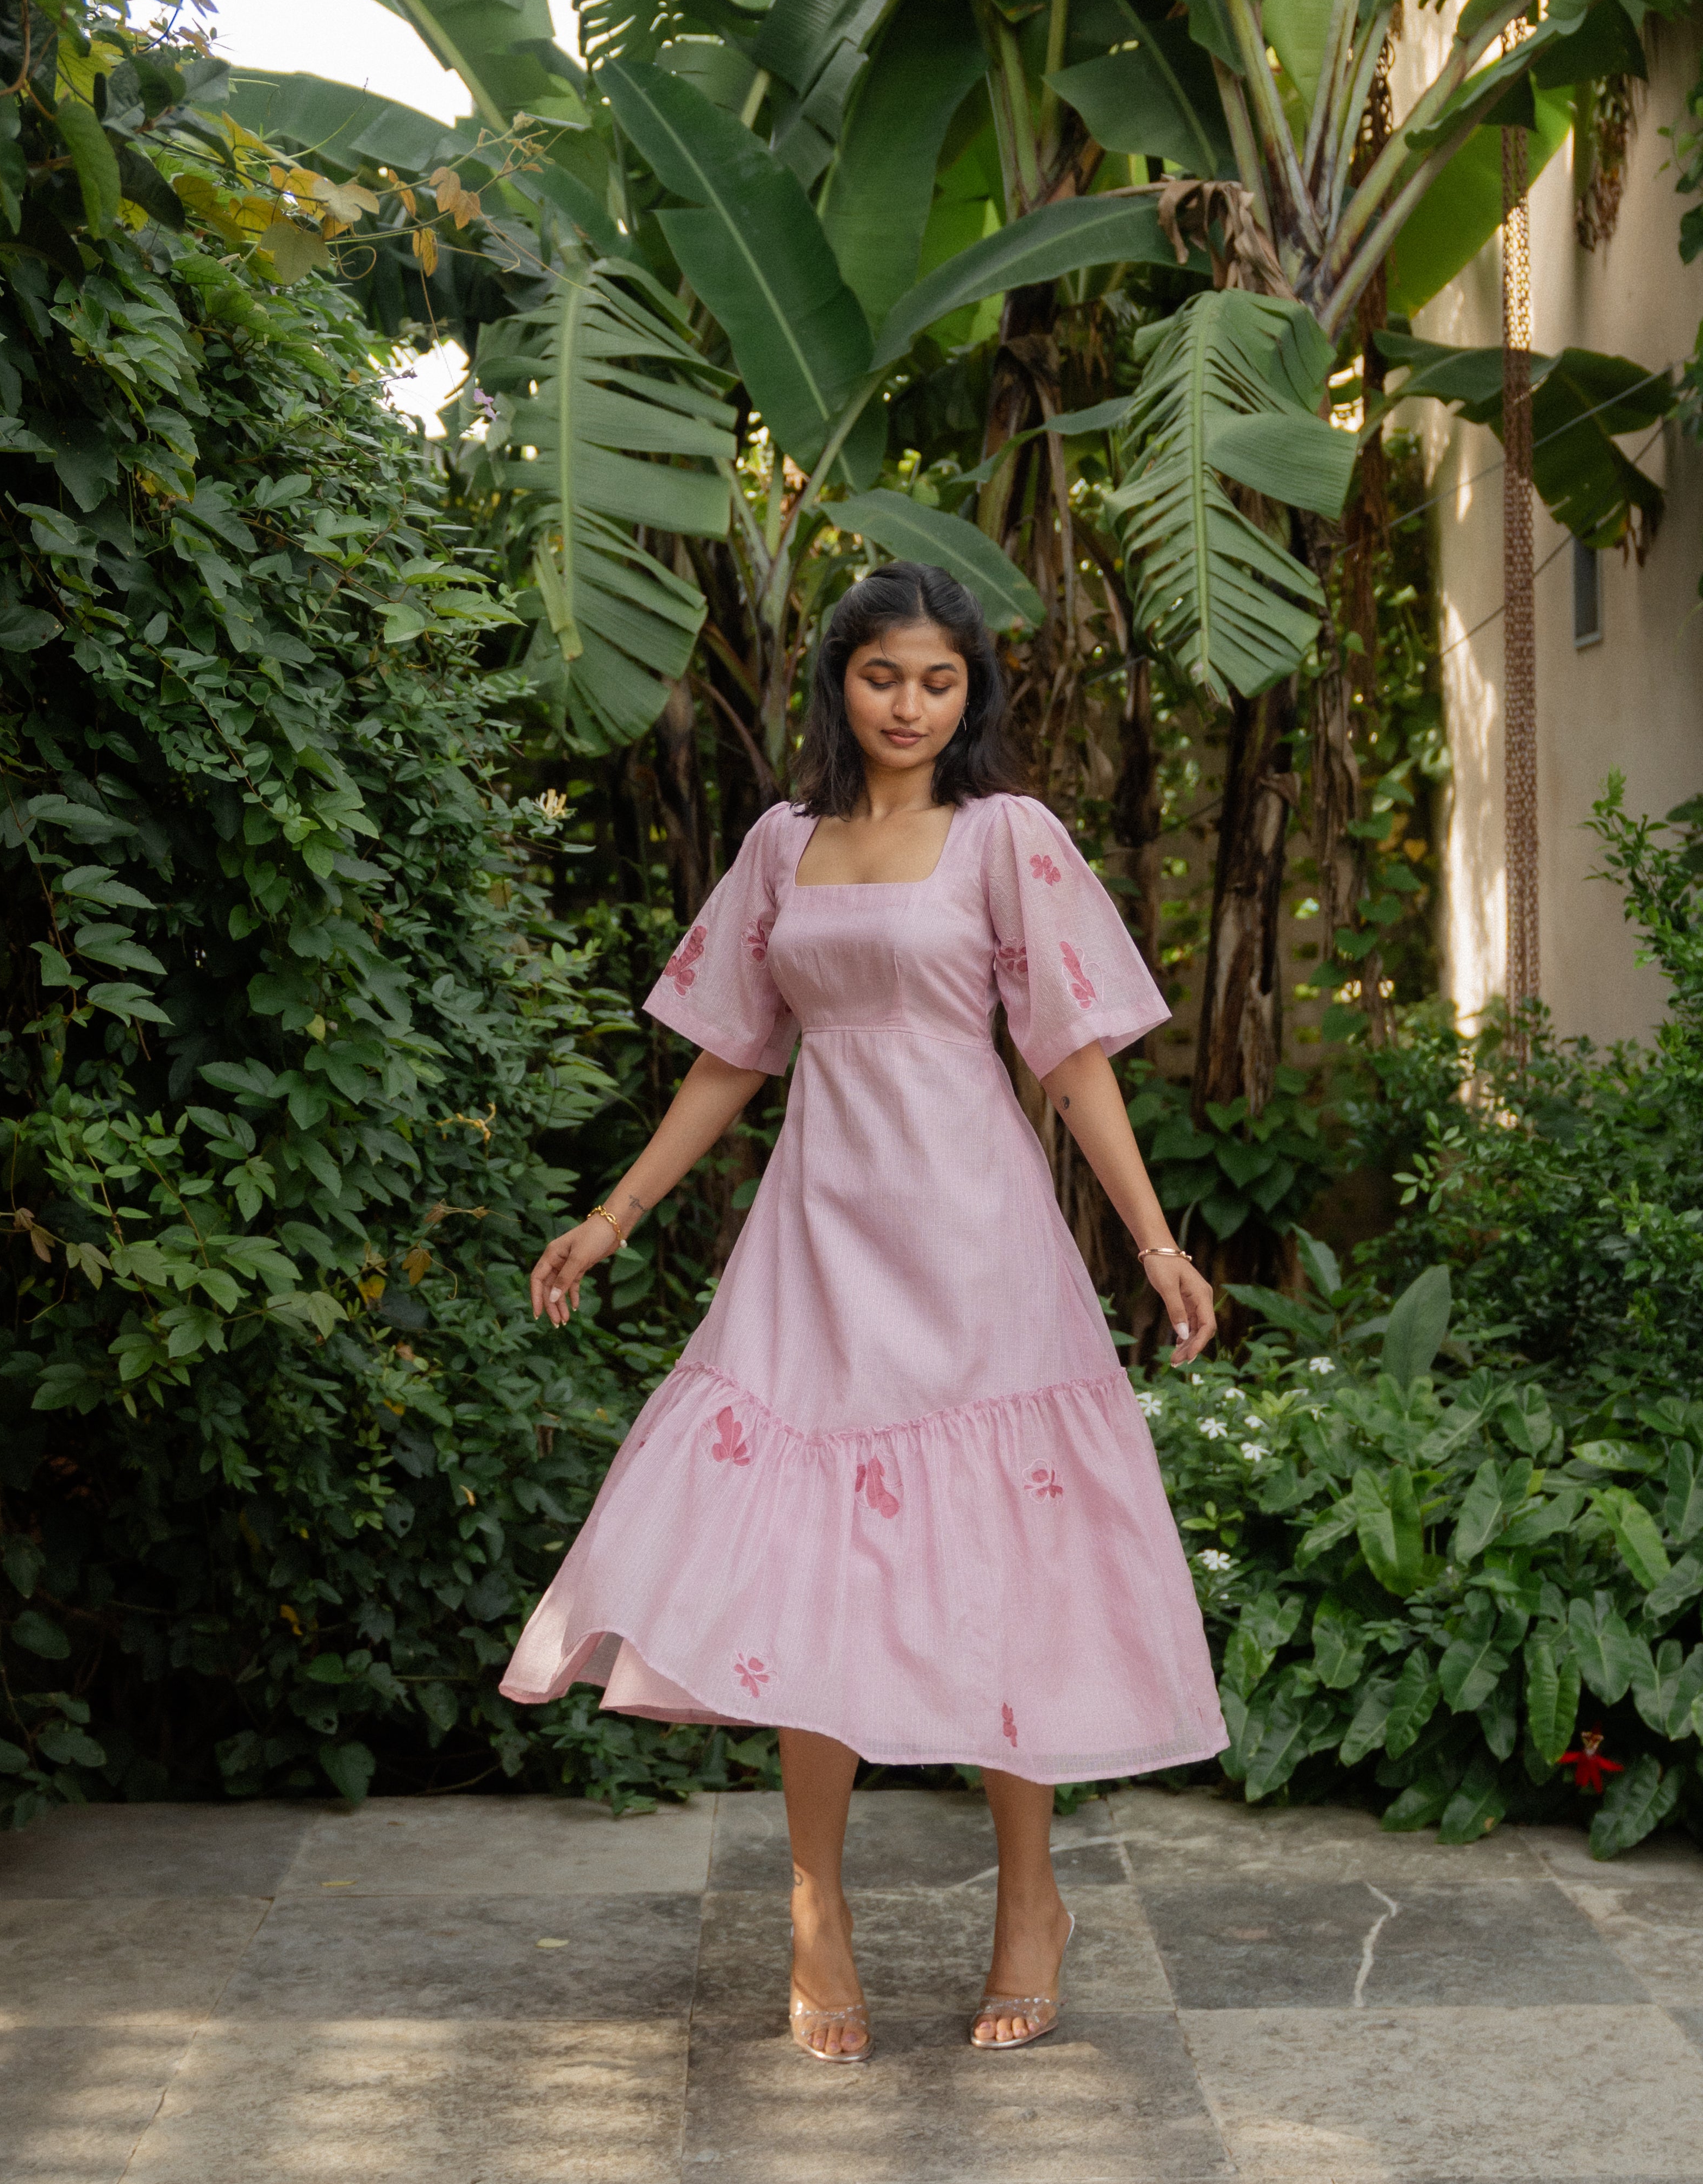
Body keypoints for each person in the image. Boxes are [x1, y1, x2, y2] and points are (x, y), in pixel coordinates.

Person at [500, 560, 1225, 2061]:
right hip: (817, 1239)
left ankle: (1032, 1898)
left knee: (1003, 1568)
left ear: (972, 695)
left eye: (938, 679)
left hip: (975, 1244)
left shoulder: (1006, 839)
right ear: (838, 681)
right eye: (882, 674)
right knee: (806, 1578)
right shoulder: (782, 847)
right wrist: (613, 1214)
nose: (908, 704)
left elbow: (1070, 1055)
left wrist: (1152, 1239)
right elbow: (726, 1057)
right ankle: (813, 1904)